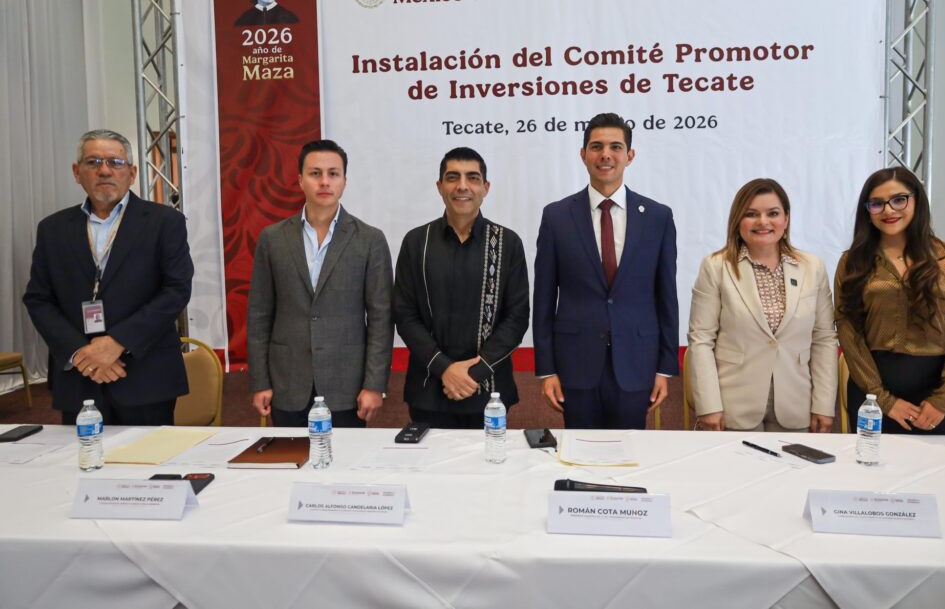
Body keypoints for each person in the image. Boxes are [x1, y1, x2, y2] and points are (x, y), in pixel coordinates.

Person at [24, 129, 194, 425]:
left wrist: (117, 343)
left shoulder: (165, 222)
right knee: (82, 453)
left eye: (115, 162)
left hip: (145, 375)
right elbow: (38, 299)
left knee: (148, 454)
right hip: (79, 376)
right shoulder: (52, 228)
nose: (104, 170)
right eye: (93, 162)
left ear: (132, 173)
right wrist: (81, 353)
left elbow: (176, 290)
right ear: (77, 172)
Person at [533, 112, 678, 430]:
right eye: (596, 147)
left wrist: (664, 368)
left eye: (616, 147)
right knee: (579, 451)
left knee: (631, 452)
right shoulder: (557, 217)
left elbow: (666, 296)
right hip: (575, 364)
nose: (606, 155)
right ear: (583, 154)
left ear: (630, 155)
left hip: (637, 363)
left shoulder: (658, 217)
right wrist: (547, 370)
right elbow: (543, 298)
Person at [247, 139, 392, 428]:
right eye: (315, 173)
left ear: (344, 181)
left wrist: (374, 385)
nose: (324, 181)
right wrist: (260, 382)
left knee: (346, 457)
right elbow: (259, 314)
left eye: (333, 174)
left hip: (347, 385)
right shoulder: (272, 239)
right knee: (290, 455)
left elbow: (381, 317)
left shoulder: (370, 240)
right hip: (287, 382)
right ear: (300, 180)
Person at [393, 148, 530, 428]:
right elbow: (405, 315)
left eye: (473, 178)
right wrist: (444, 369)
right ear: (439, 186)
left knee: (492, 458)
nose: (462, 186)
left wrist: (473, 374)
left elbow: (517, 318)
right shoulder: (416, 242)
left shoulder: (508, 243)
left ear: (486, 187)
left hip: (489, 392)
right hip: (428, 391)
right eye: (453, 177)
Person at [688, 179, 837, 431]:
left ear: (786, 219)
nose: (763, 222)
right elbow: (701, 339)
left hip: (797, 403)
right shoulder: (715, 267)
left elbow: (824, 338)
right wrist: (709, 406)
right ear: (737, 220)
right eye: (751, 214)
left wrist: (823, 405)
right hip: (732, 405)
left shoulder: (812, 267)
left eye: (773, 213)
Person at [835, 167, 945, 435]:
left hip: (935, 392)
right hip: (871, 389)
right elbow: (848, 329)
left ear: (917, 201)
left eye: (899, 199)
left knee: (932, 461)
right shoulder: (852, 262)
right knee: (870, 460)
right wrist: (882, 399)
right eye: (877, 203)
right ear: (867, 210)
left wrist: (944, 397)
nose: (888, 210)